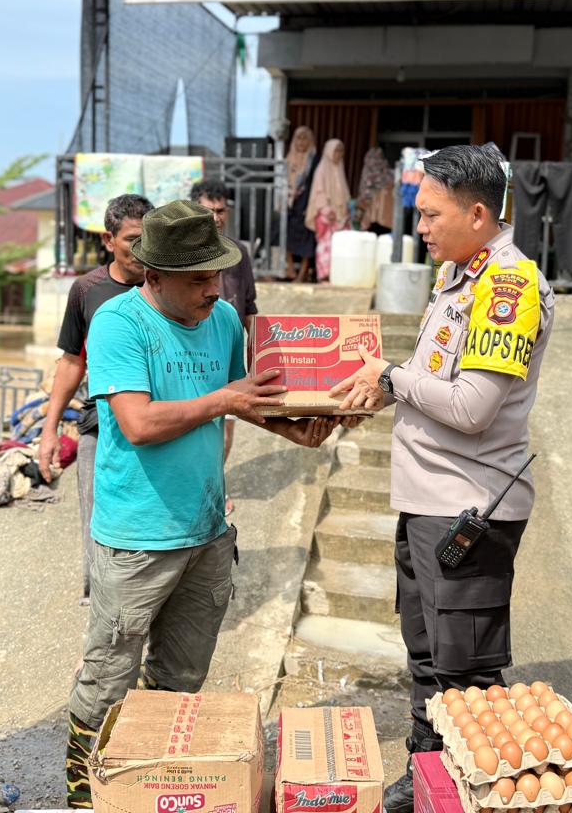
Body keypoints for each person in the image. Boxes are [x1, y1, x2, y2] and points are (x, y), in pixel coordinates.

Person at [64, 201, 352, 809]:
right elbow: (138, 423)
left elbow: (241, 399)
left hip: (207, 531)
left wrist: (292, 427)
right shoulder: (118, 323)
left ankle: (146, 786)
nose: (213, 288)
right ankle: (85, 795)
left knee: (182, 679)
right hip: (136, 537)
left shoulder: (222, 320)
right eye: (197, 278)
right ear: (154, 275)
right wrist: (225, 399)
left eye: (217, 273)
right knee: (108, 678)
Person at [329, 144, 554, 813]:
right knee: (429, 656)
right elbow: (436, 382)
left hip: (468, 509)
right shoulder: (458, 277)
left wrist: (394, 379)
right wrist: (385, 385)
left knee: (468, 670)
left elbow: (473, 408)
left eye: (430, 214)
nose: (419, 226)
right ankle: (427, 779)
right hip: (429, 500)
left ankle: (472, 791)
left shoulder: (506, 287)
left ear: (478, 213)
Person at [37, 194, 153, 604]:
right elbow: (72, 362)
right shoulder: (87, 290)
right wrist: (49, 430)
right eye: (132, 239)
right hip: (100, 426)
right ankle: (100, 603)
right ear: (109, 239)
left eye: (149, 238)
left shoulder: (166, 286)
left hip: (158, 425)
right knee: (96, 519)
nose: (142, 250)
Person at [189, 178, 258, 464]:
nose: (215, 218)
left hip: (227, 352)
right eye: (208, 211)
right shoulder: (183, 251)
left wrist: (259, 355)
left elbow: (250, 306)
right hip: (194, 350)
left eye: (220, 211)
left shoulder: (238, 251)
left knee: (227, 428)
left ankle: (218, 482)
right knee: (196, 423)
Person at [305, 138, 351, 282]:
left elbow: (344, 194)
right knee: (325, 246)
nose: (339, 154)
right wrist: (326, 209)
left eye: (341, 151)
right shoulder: (321, 169)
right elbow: (319, 192)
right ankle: (323, 276)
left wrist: (345, 209)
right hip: (326, 215)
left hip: (339, 216)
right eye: (336, 150)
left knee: (339, 246)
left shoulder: (339, 169)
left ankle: (337, 275)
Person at [284, 125, 318, 282]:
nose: (301, 142)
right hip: (290, 205)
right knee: (285, 234)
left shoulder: (314, 160)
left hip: (307, 204)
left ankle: (303, 273)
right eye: (298, 137)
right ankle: (290, 268)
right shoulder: (288, 159)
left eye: (305, 138)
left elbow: (315, 184)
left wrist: (311, 205)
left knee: (307, 237)